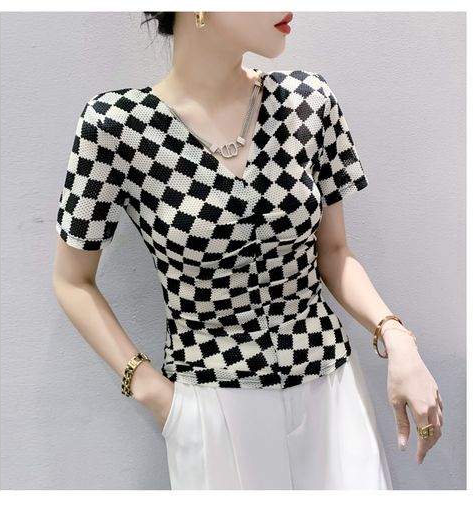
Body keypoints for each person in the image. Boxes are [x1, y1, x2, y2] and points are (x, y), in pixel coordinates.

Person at [52, 11, 443, 490]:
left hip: (332, 388)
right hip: (212, 405)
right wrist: (153, 391)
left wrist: (396, 336)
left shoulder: (308, 101)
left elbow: (335, 251)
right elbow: (72, 280)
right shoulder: (116, 127)